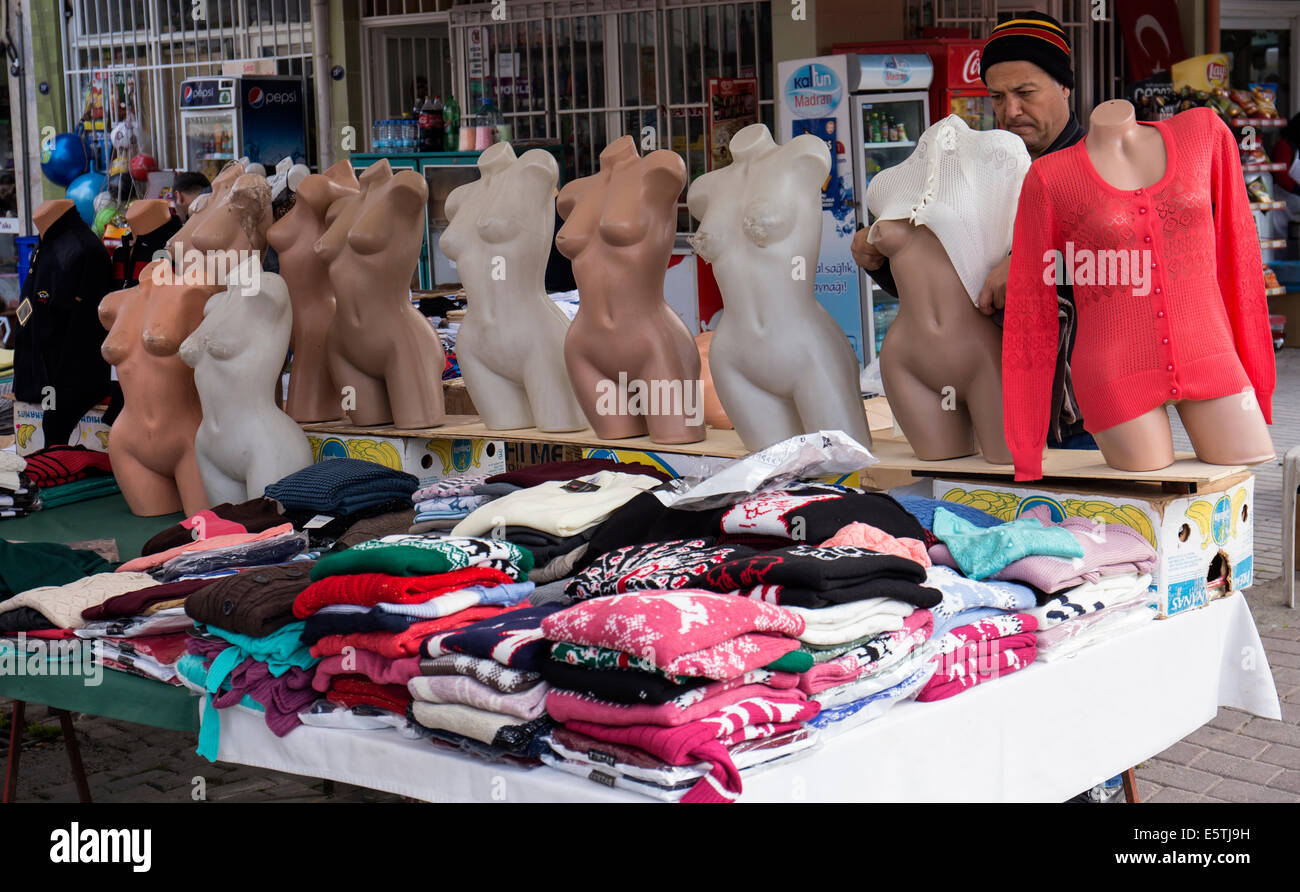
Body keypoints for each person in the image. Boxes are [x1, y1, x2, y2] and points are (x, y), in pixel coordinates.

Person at [851, 12, 1094, 448]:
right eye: (997, 96)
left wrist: (1026, 266)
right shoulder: (982, 170)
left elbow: (1121, 272)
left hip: (1083, 418)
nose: (1010, 110)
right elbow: (944, 288)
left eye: (1025, 93)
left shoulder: (1100, 169)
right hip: (992, 413)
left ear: (1064, 87)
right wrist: (883, 263)